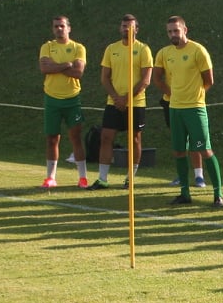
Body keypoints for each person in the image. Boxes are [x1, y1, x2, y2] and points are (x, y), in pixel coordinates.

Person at [155, 15, 223, 206]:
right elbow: (157, 77)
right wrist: (172, 93)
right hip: (175, 108)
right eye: (169, 31)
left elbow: (209, 80)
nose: (173, 34)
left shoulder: (198, 50)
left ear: (185, 30)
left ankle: (218, 194)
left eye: (176, 30)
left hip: (195, 108)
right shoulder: (164, 53)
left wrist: (195, 95)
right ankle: (185, 193)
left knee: (204, 149)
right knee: (178, 151)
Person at [92, 14, 153, 189]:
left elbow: (145, 80)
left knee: (134, 139)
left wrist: (127, 98)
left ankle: (130, 178)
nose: (126, 29)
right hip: (114, 102)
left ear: (137, 29)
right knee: (106, 137)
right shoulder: (112, 49)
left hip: (135, 102)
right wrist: (116, 97)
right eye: (124, 26)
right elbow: (105, 77)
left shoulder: (143, 49)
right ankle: (102, 179)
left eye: (130, 26)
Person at [38, 15, 88, 189]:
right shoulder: (47, 46)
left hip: (72, 99)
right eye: (56, 26)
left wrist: (56, 66)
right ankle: (51, 177)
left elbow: (78, 72)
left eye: (62, 26)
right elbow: (44, 68)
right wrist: (66, 65)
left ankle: (83, 177)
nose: (59, 29)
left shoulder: (78, 48)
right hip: (52, 99)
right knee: (52, 138)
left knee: (76, 138)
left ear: (69, 28)